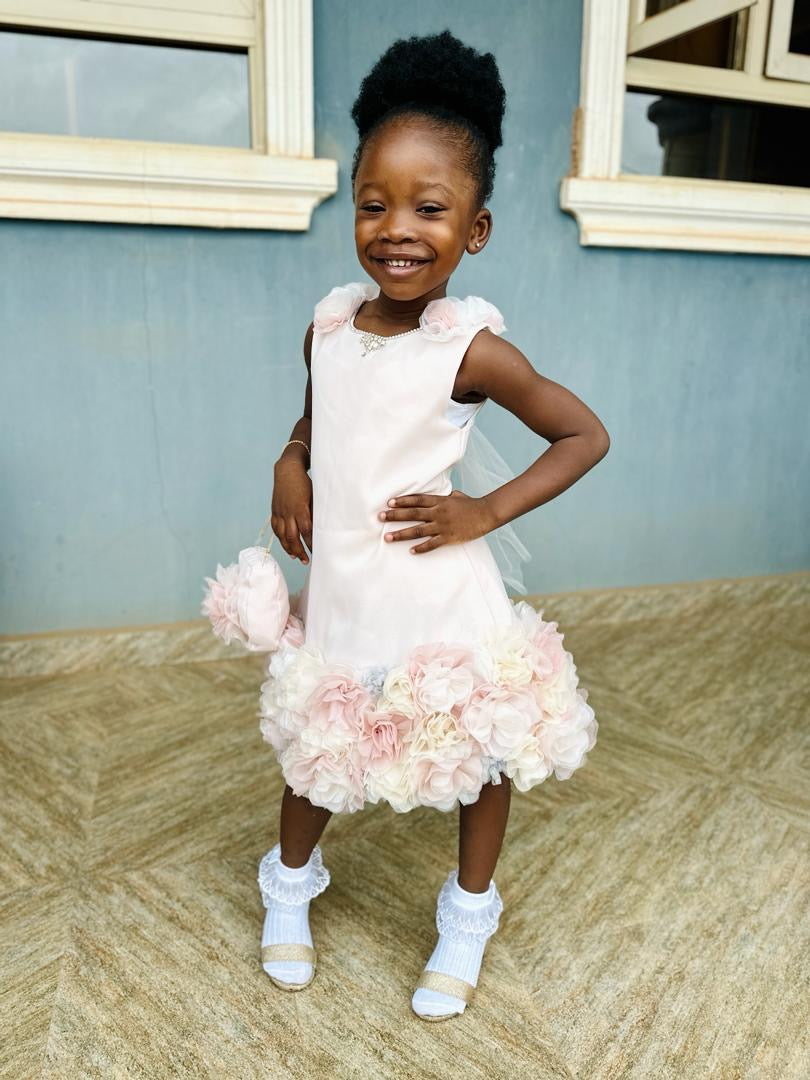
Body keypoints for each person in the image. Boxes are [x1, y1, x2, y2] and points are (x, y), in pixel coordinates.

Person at [256, 29, 610, 1021]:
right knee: (321, 747)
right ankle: (287, 883)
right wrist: (290, 460)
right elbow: (320, 416)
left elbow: (583, 434)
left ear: (477, 228)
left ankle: (469, 910)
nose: (396, 228)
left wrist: (484, 510)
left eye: (429, 207)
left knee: (475, 752)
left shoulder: (471, 349)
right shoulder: (329, 322)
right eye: (374, 203)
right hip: (349, 591)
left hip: (443, 593)